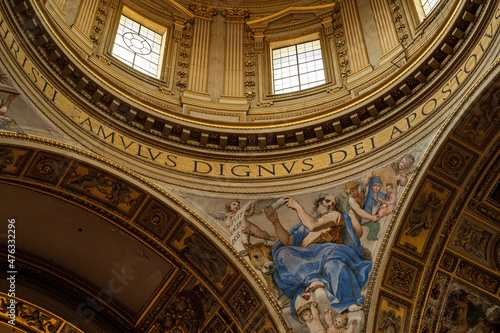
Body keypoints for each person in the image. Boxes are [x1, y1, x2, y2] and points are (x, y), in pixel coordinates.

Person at [265, 195, 372, 316]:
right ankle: (315, 279)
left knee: (334, 265)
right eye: (327, 201)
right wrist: (275, 221)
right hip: (308, 260)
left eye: (333, 204)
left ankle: (348, 302)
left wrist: (298, 207)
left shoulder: (335, 216)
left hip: (329, 253)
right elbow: (287, 241)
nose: (330, 205)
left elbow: (313, 226)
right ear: (319, 202)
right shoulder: (305, 225)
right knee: (282, 253)